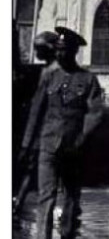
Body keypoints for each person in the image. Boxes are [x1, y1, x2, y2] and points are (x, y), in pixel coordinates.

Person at [19, 27, 103, 239]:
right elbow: (36, 111)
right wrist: (26, 145)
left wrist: (81, 138)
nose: (60, 53)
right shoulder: (49, 76)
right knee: (46, 197)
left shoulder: (88, 80)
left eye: (65, 50)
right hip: (48, 144)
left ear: (75, 51)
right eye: (58, 49)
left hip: (73, 148)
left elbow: (95, 113)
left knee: (70, 200)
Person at [14, 32, 59, 215]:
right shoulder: (49, 70)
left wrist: (26, 142)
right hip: (48, 132)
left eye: (39, 49)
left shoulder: (52, 72)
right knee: (33, 171)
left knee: (37, 170)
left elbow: (38, 109)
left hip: (46, 132)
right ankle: (20, 204)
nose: (36, 53)